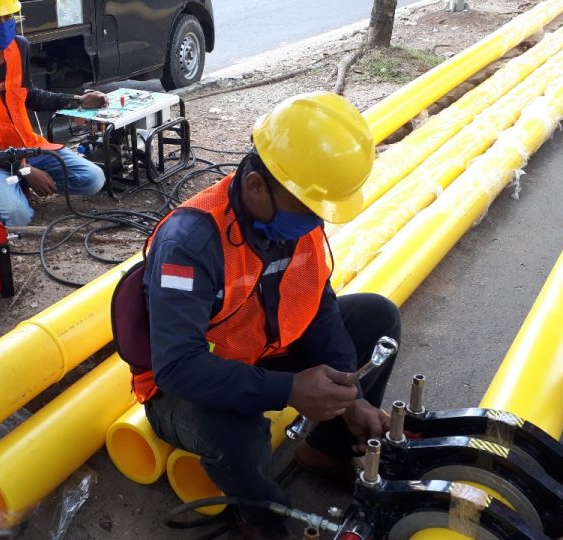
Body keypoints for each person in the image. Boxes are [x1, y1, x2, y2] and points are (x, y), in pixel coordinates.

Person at [135, 92, 401, 538]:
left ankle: (324, 451)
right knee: (238, 434)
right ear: (256, 186)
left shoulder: (294, 216)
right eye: (310, 211)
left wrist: (347, 391)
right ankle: (264, 518)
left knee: (376, 319)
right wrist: (289, 389)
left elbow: (318, 301)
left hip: (260, 347)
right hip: (182, 387)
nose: (317, 224)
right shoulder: (189, 242)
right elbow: (177, 367)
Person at [0, 0, 107, 226]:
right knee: (17, 216)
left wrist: (77, 101)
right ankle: (12, 186)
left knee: (93, 179)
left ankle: (18, 185)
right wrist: (24, 170)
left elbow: (29, 95)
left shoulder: (19, 46)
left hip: (26, 144)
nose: (3, 25)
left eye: (7, 17)